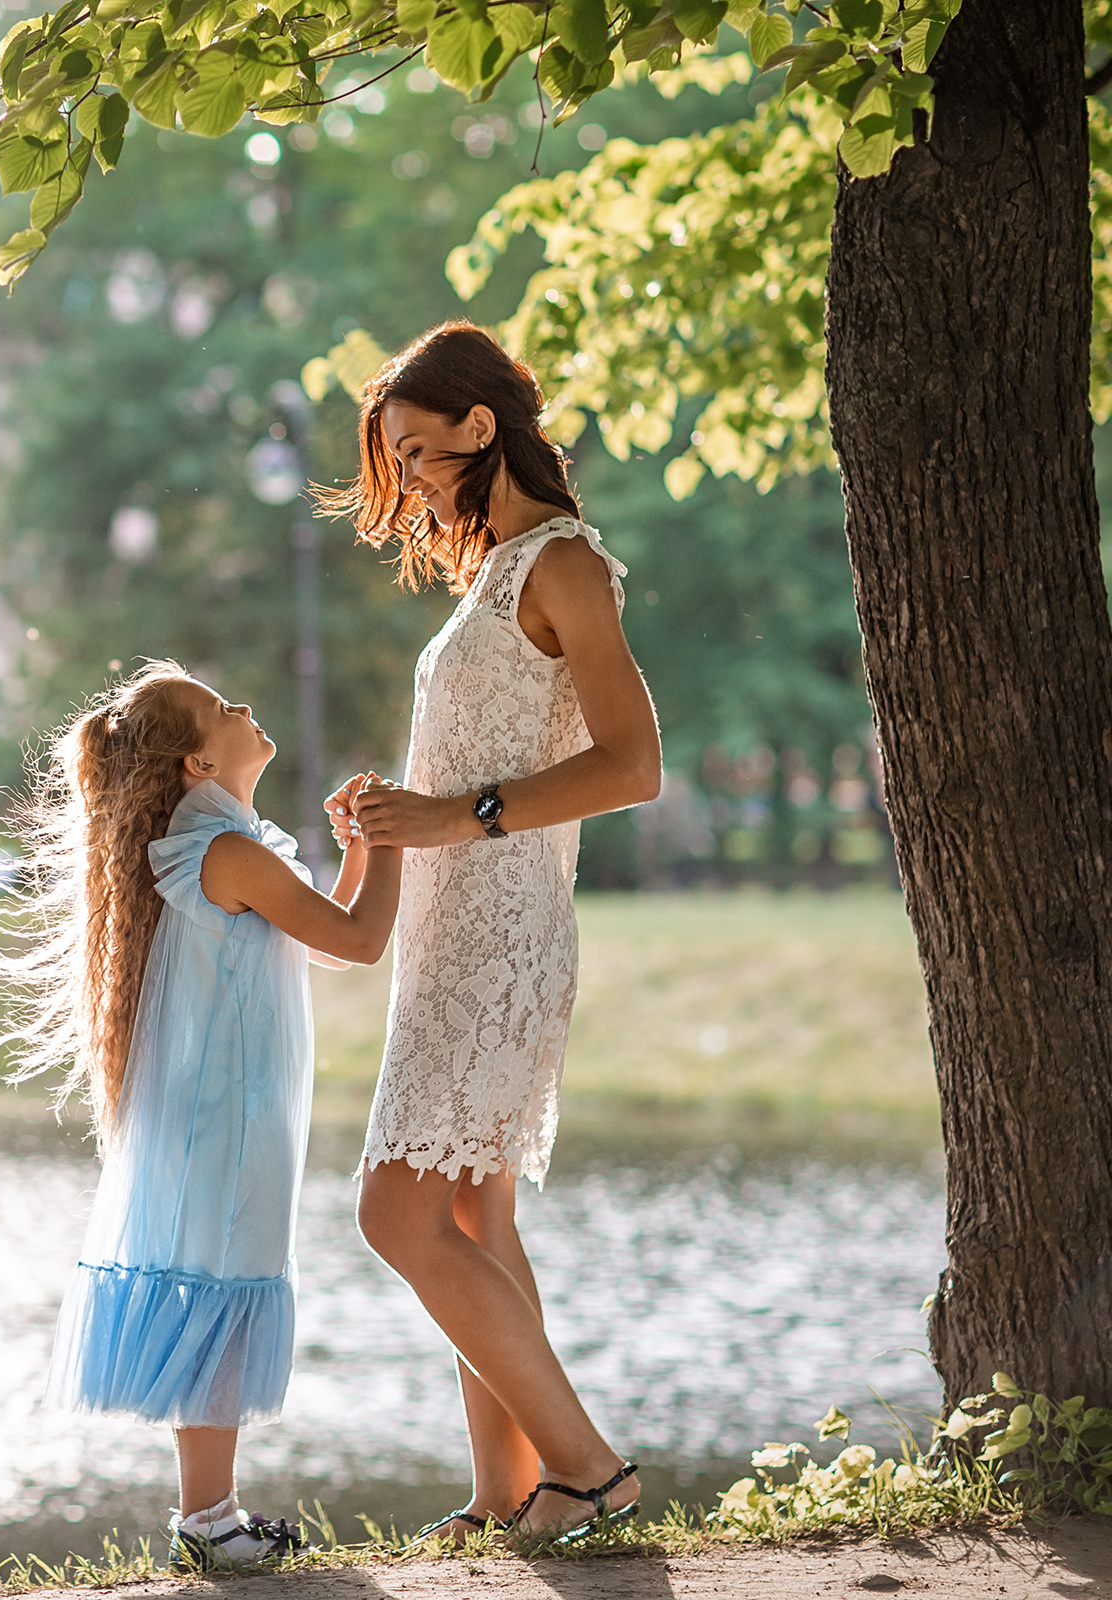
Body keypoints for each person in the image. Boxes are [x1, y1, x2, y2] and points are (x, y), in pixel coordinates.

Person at [321, 321, 663, 1545]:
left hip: (502, 931)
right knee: (473, 1218)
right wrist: (392, 816)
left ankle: (590, 1465)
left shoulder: (562, 562)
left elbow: (633, 767)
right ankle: (509, 1490)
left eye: (419, 451)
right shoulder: (494, 570)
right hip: (450, 925)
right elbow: (480, 758)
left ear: (481, 426)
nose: (408, 477)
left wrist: (450, 815)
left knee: (393, 1214)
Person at [0, 660, 404, 1570]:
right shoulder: (225, 852)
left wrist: (360, 848)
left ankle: (212, 1516)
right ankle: (209, 1521)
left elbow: (322, 942)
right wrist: (395, 841)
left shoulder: (221, 843)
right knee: (222, 1279)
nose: (244, 706)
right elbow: (359, 944)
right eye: (220, 708)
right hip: (230, 1113)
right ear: (199, 764)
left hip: (226, 1107)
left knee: (216, 1277)